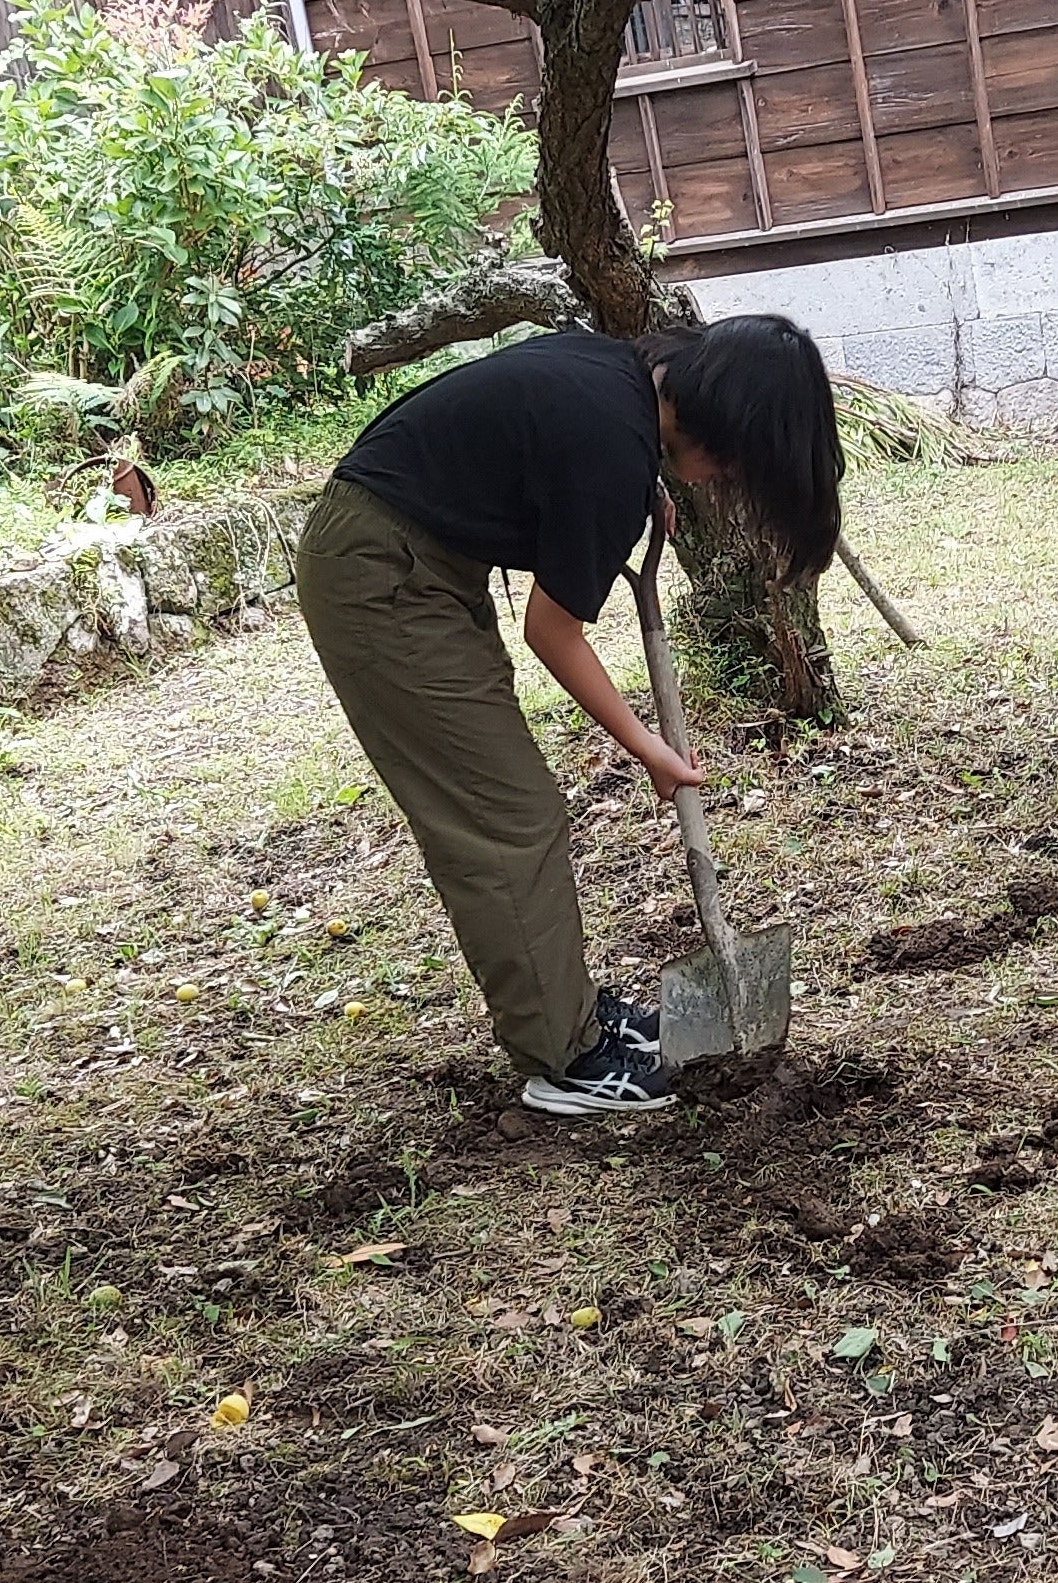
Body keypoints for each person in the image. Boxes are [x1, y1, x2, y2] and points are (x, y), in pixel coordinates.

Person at [298, 316, 844, 1118]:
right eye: (742, 462)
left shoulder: (618, 383)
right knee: (505, 817)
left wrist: (638, 481)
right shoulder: (611, 449)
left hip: (411, 556)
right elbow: (551, 632)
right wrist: (647, 747)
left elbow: (544, 443)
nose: (730, 478)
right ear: (726, 427)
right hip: (384, 578)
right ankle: (565, 1058)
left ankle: (573, 1016)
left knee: (508, 808)